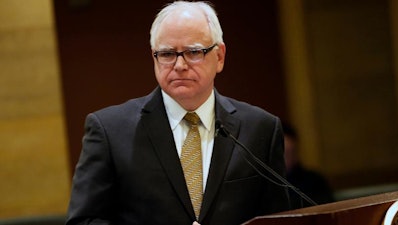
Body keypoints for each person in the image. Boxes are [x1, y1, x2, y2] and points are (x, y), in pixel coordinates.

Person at [65, 1, 290, 225]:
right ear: (154, 56)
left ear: (219, 56)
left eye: (193, 52)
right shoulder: (110, 131)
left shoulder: (261, 129)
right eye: (167, 54)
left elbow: (279, 220)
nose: (179, 65)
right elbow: (83, 221)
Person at [283, 122, 334, 209]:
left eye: (292, 152)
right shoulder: (263, 185)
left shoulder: (314, 180)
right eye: (285, 154)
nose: (289, 159)